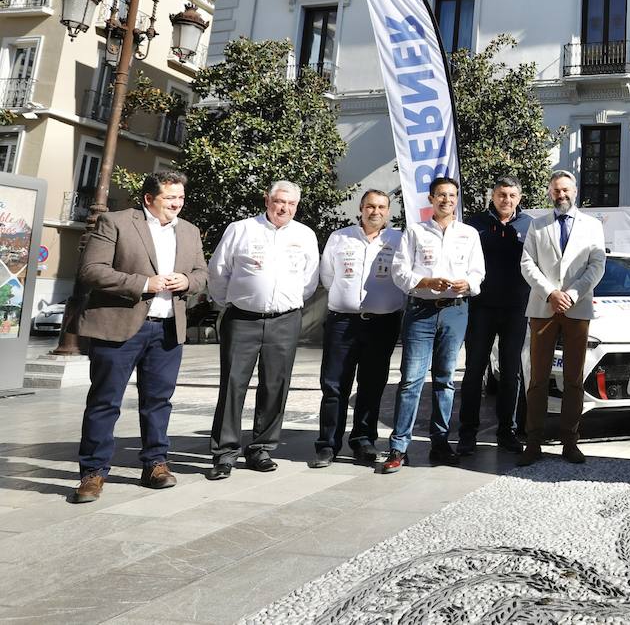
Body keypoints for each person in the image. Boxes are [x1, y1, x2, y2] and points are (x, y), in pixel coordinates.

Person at [70, 171, 208, 503]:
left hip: (166, 331)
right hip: (118, 328)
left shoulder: (188, 231)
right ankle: (93, 473)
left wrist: (186, 282)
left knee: (159, 402)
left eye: (180, 198)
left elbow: (202, 274)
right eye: (169, 198)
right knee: (105, 402)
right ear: (149, 199)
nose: (177, 204)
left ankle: (155, 464)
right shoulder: (115, 222)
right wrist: (144, 284)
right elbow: (91, 270)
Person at [206, 181, 319, 479]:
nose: (284, 208)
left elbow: (309, 280)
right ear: (267, 200)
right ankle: (225, 452)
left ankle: (261, 448)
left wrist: (285, 302)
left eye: (291, 204)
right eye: (279, 201)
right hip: (242, 319)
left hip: (285, 320)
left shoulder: (305, 235)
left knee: (276, 385)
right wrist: (232, 302)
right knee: (232, 384)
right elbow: (218, 271)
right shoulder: (240, 229)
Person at [381, 176, 485, 473]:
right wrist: (425, 281)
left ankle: (440, 443)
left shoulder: (468, 234)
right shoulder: (414, 232)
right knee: (412, 380)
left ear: (457, 200)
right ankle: (398, 447)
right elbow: (399, 272)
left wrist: (469, 283)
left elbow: (478, 271)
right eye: (441, 195)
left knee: (445, 380)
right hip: (421, 312)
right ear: (431, 199)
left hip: (455, 311)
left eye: (452, 196)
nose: (447, 201)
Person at [310, 189, 405, 468]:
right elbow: (327, 276)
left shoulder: (398, 239)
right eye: (370, 206)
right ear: (361, 209)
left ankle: (363, 440)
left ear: (388, 211)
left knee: (372, 384)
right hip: (343, 321)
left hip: (383, 323)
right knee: (334, 385)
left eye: (381, 207)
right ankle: (328, 444)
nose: (375, 212)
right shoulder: (340, 237)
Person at [517, 170, 606, 466]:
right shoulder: (537, 225)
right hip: (543, 309)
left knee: (573, 380)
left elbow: (597, 265)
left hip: (577, 308)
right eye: (556, 190)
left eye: (566, 189)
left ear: (575, 191)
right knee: (537, 379)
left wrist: (572, 293)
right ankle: (533, 442)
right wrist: (551, 293)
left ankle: (570, 440)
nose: (561, 195)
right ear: (549, 193)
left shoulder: (592, 226)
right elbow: (527, 264)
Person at [456, 178, 533, 455]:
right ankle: (467, 433)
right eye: (502, 194)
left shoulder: (529, 225)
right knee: (474, 372)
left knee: (511, 373)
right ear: (493, 196)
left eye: (512, 195)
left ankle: (507, 432)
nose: (507, 200)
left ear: (519, 197)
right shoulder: (473, 226)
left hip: (517, 309)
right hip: (480, 308)